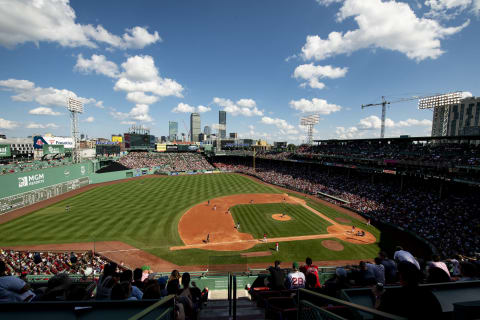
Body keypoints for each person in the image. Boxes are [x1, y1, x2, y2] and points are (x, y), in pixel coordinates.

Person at [376, 261, 442, 319]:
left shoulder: (391, 296)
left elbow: (378, 315)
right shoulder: (429, 295)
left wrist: (378, 296)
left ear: (401, 276)